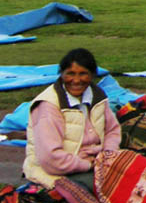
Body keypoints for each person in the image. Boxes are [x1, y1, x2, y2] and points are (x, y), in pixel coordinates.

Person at [23, 48, 121, 193]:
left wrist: (108, 155)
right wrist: (86, 165)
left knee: (139, 174)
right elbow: (50, 158)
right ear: (62, 74)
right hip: (57, 170)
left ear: (92, 75)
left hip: (95, 162)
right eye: (70, 74)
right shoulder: (48, 106)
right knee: (110, 190)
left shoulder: (98, 97)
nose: (76, 80)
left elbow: (112, 130)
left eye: (83, 74)